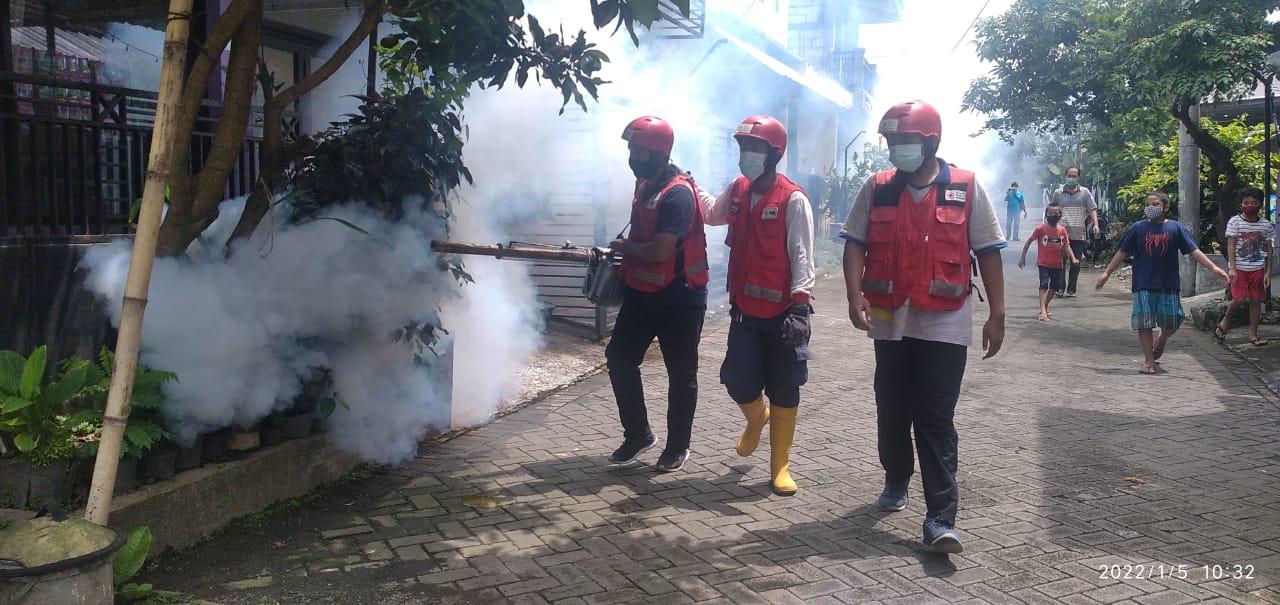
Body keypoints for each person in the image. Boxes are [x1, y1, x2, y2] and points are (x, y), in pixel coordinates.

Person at [841, 100, 1006, 554]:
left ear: (931, 142)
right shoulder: (877, 188)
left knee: (935, 418)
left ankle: (939, 518)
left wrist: (997, 313)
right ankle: (896, 477)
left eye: (905, 142)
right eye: (892, 142)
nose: (897, 150)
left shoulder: (967, 188)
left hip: (945, 322)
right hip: (891, 319)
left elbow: (988, 251)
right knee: (892, 409)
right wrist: (854, 295)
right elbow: (854, 244)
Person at [701, 115, 815, 496]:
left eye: (755, 149)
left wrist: (801, 308)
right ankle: (756, 418)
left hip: (784, 314)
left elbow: (802, 256)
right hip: (745, 312)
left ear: (774, 154)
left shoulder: (793, 199)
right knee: (737, 380)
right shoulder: (737, 189)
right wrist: (687, 183)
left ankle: (780, 464)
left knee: (785, 387)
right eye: (743, 148)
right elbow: (711, 213)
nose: (746, 156)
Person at [605, 115, 709, 472]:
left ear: (660, 153)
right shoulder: (646, 183)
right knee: (619, 358)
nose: (632, 156)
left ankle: (678, 446)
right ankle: (638, 434)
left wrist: (624, 246)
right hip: (642, 292)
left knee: (681, 374)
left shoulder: (678, 194)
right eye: (631, 149)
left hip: (680, 298)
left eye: (639, 150)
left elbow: (661, 250)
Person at [1096, 192, 1228, 374]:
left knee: (1173, 319)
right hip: (1143, 282)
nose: (1151, 207)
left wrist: (1214, 268)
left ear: (1165, 206)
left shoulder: (1175, 228)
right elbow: (1122, 252)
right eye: (1148, 204)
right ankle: (1149, 361)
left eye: (1155, 204)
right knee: (1144, 322)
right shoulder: (1137, 228)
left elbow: (1193, 250)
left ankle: (1162, 339)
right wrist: (1106, 273)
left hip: (1169, 282)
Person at [1214, 187, 1275, 346]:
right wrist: (1232, 268)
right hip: (1239, 269)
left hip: (1257, 268)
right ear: (1241, 204)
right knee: (1239, 298)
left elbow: (1269, 249)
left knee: (1256, 300)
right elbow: (1231, 246)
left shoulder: (1266, 225)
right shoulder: (1235, 222)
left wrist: (1268, 271)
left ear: (1260, 205)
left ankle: (1253, 335)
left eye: (1254, 203)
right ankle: (1225, 322)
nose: (1249, 206)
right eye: (1246, 202)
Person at [1019, 202, 1078, 321]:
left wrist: (1073, 258)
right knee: (1043, 285)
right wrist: (1023, 256)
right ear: (1046, 215)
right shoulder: (1040, 229)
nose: (1053, 215)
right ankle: (1042, 311)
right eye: (1051, 213)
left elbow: (1066, 245)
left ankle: (1045, 306)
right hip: (1043, 263)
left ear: (1060, 216)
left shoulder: (1062, 230)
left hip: (1057, 264)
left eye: (1056, 213)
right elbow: (1029, 241)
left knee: (1055, 287)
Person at [1050, 166, 1099, 297]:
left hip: (1078, 232)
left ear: (1078, 177)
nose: (1071, 178)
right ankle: (1060, 288)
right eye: (1069, 176)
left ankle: (1071, 289)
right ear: (1065, 176)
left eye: (1074, 176)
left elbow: (1092, 209)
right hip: (1060, 233)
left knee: (1075, 261)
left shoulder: (1085, 193)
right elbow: (1051, 210)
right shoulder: (1058, 193)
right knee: (1060, 260)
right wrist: (1049, 228)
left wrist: (1096, 224)